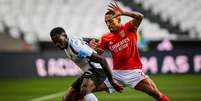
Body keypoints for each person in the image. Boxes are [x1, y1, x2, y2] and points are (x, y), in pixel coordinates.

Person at [90, 1, 170, 101]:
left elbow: (140, 17)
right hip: (116, 74)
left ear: (118, 19)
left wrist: (124, 12)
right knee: (86, 89)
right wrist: (93, 49)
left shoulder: (129, 27)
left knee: (156, 94)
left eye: (110, 21)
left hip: (133, 71)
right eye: (106, 22)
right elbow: (99, 53)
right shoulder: (105, 38)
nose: (108, 24)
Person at [50, 27, 123, 101]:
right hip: (89, 71)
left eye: (59, 41)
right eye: (54, 42)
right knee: (67, 99)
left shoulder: (75, 47)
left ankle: (112, 83)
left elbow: (102, 60)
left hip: (97, 69)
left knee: (84, 90)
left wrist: (112, 81)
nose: (57, 44)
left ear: (65, 36)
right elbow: (87, 39)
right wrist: (91, 43)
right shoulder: (71, 40)